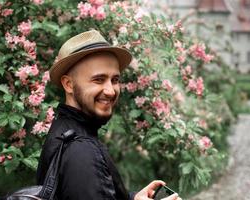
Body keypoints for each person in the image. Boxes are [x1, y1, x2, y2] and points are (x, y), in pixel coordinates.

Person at [36, 29, 181, 200]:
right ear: (68, 84)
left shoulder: (65, 129)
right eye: (98, 80)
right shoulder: (82, 152)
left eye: (115, 80)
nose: (111, 91)